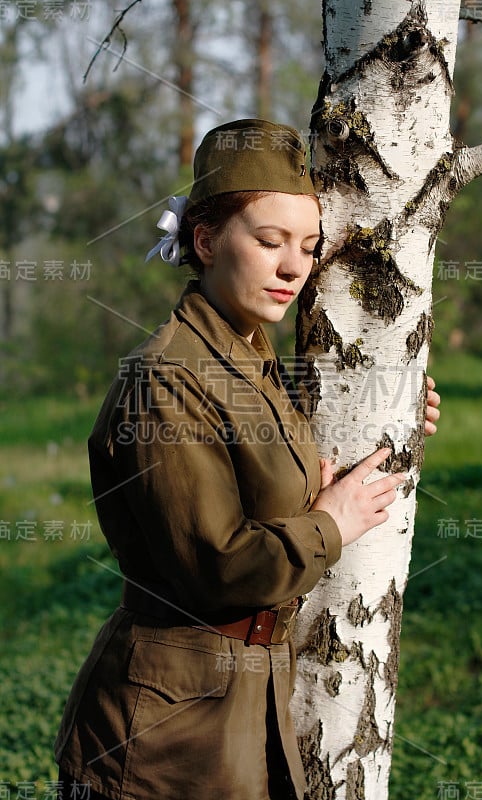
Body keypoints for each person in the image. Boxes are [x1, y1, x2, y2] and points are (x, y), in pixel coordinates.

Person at [54, 119, 441, 800]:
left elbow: (271, 477)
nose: (293, 266)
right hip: (165, 733)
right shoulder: (168, 378)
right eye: (268, 242)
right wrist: (330, 522)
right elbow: (216, 567)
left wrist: (391, 423)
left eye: (307, 247)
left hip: (243, 702)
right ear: (204, 241)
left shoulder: (252, 359)